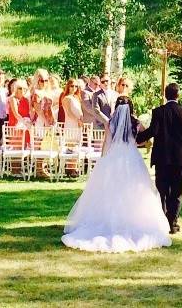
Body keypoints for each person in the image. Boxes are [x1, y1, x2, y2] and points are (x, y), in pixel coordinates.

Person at [62, 96, 172, 253]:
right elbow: (140, 140)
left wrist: (103, 160)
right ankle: (132, 220)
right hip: (131, 157)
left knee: (110, 190)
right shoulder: (136, 123)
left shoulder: (110, 122)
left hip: (114, 156)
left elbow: (107, 142)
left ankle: (109, 220)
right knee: (134, 191)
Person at [136, 83, 182, 235]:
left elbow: (153, 131)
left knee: (162, 191)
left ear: (165, 95)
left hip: (162, 157)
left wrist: (136, 138)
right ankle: (173, 223)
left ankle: (162, 222)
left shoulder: (158, 112)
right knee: (176, 192)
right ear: (178, 95)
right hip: (180, 158)